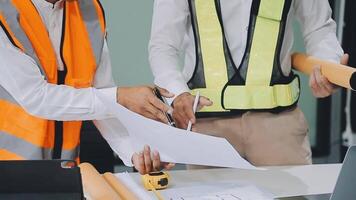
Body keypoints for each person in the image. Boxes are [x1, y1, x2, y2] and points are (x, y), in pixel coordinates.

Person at [149, 0, 347, 166]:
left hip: (279, 126)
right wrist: (178, 95)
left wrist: (329, 68)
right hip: (209, 128)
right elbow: (163, 46)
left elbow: (319, 28)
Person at [0, 0, 172, 174]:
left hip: (64, 172)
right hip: (9, 175)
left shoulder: (90, 11)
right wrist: (120, 98)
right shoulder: (4, 11)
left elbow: (101, 94)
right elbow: (36, 97)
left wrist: (135, 152)